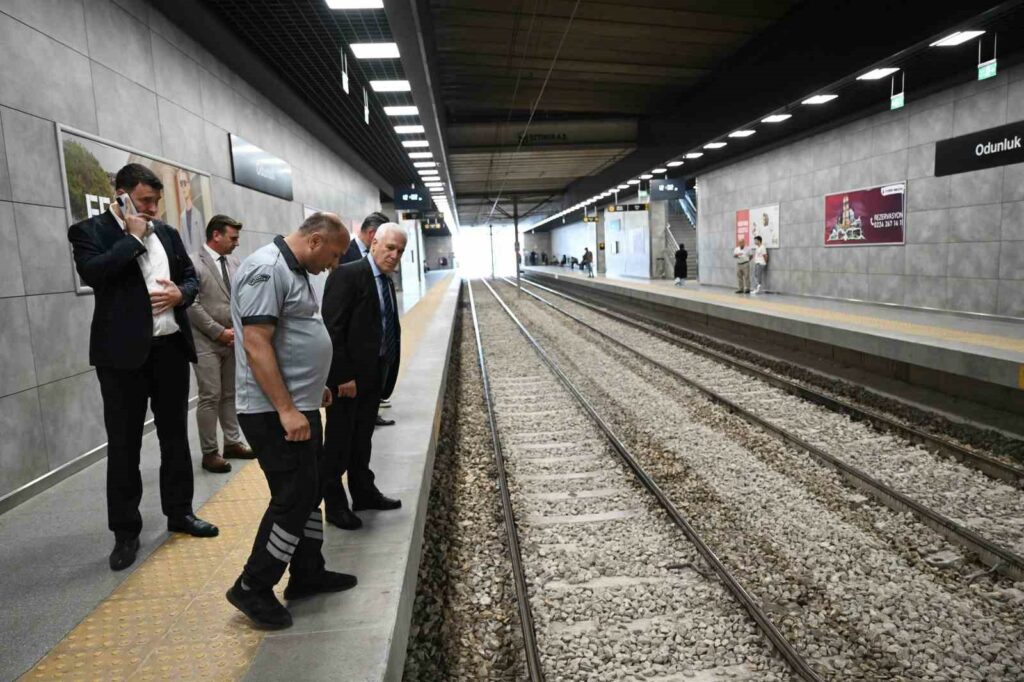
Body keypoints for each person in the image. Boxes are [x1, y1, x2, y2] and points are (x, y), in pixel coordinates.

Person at [67, 163, 218, 572]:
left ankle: (180, 513)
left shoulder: (167, 234)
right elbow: (96, 273)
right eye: (145, 201)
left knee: (174, 438)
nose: (152, 208)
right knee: (124, 446)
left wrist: (179, 296)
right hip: (121, 359)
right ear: (121, 195)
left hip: (169, 350)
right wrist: (133, 238)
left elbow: (190, 278)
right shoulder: (88, 232)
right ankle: (126, 533)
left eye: (156, 201)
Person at [226, 212, 356, 629]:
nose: (333, 265)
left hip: (297, 407)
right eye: (334, 255)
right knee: (294, 496)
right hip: (272, 413)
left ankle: (307, 572)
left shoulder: (295, 268)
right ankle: (253, 585)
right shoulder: (267, 269)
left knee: (310, 488)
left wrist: (310, 386)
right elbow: (256, 344)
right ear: (316, 241)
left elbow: (292, 338)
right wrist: (286, 408)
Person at [320, 223, 407, 531]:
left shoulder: (385, 280)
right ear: (374, 243)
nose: (394, 255)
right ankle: (334, 504)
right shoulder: (347, 275)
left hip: (373, 376)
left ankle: (363, 492)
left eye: (400, 251)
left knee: (362, 440)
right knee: (339, 444)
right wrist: (342, 376)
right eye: (390, 248)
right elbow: (332, 329)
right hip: (348, 382)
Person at [186, 215, 254, 474]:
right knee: (210, 396)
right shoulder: (193, 263)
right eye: (232, 237)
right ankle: (210, 452)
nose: (237, 243)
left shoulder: (235, 263)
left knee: (230, 394)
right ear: (216, 235)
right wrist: (218, 332)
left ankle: (233, 443)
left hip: (233, 339)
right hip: (205, 341)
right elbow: (190, 304)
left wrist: (237, 330)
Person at [342, 211, 395, 427]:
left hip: (378, 339)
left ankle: (372, 412)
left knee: (374, 383)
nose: (392, 253)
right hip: (357, 340)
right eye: (389, 245)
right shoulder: (346, 255)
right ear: (373, 234)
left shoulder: (380, 260)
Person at [176, 169, 205, 255]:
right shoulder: (182, 216)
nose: (183, 187)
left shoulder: (198, 214)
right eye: (181, 184)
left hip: (200, 260)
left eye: (185, 183)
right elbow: (182, 243)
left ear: (189, 185)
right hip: (189, 262)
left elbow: (203, 240)